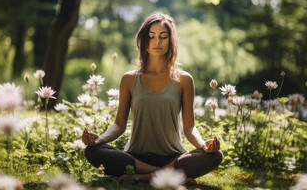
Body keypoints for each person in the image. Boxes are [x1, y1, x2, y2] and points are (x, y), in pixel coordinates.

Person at [82, 11, 222, 183]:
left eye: (163, 36)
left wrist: (203, 146)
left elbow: (190, 128)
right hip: (136, 157)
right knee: (92, 151)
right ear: (144, 41)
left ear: (171, 41)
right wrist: (100, 139)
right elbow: (119, 124)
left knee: (215, 156)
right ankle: (167, 175)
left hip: (173, 157)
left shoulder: (184, 79)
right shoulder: (129, 79)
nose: (157, 41)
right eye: (152, 36)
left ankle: (144, 177)